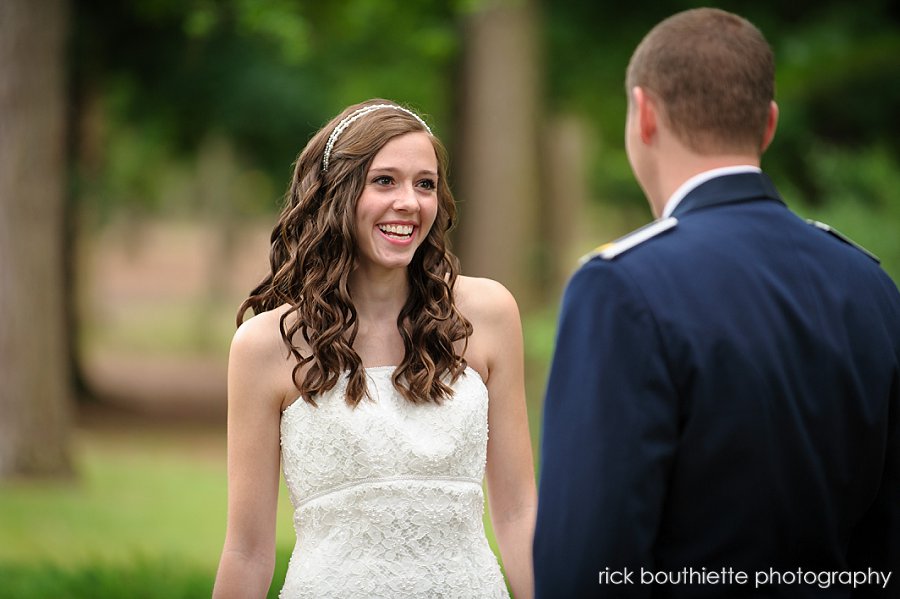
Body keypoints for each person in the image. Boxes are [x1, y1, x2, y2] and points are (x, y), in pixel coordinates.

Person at [534, 8, 900, 599]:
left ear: (644, 114)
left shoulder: (621, 288)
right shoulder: (869, 285)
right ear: (769, 124)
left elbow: (587, 562)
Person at [212, 99, 536, 598]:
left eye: (425, 183)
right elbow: (247, 551)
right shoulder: (265, 347)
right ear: (335, 194)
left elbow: (517, 514)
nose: (409, 202)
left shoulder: (488, 314)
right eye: (384, 181)